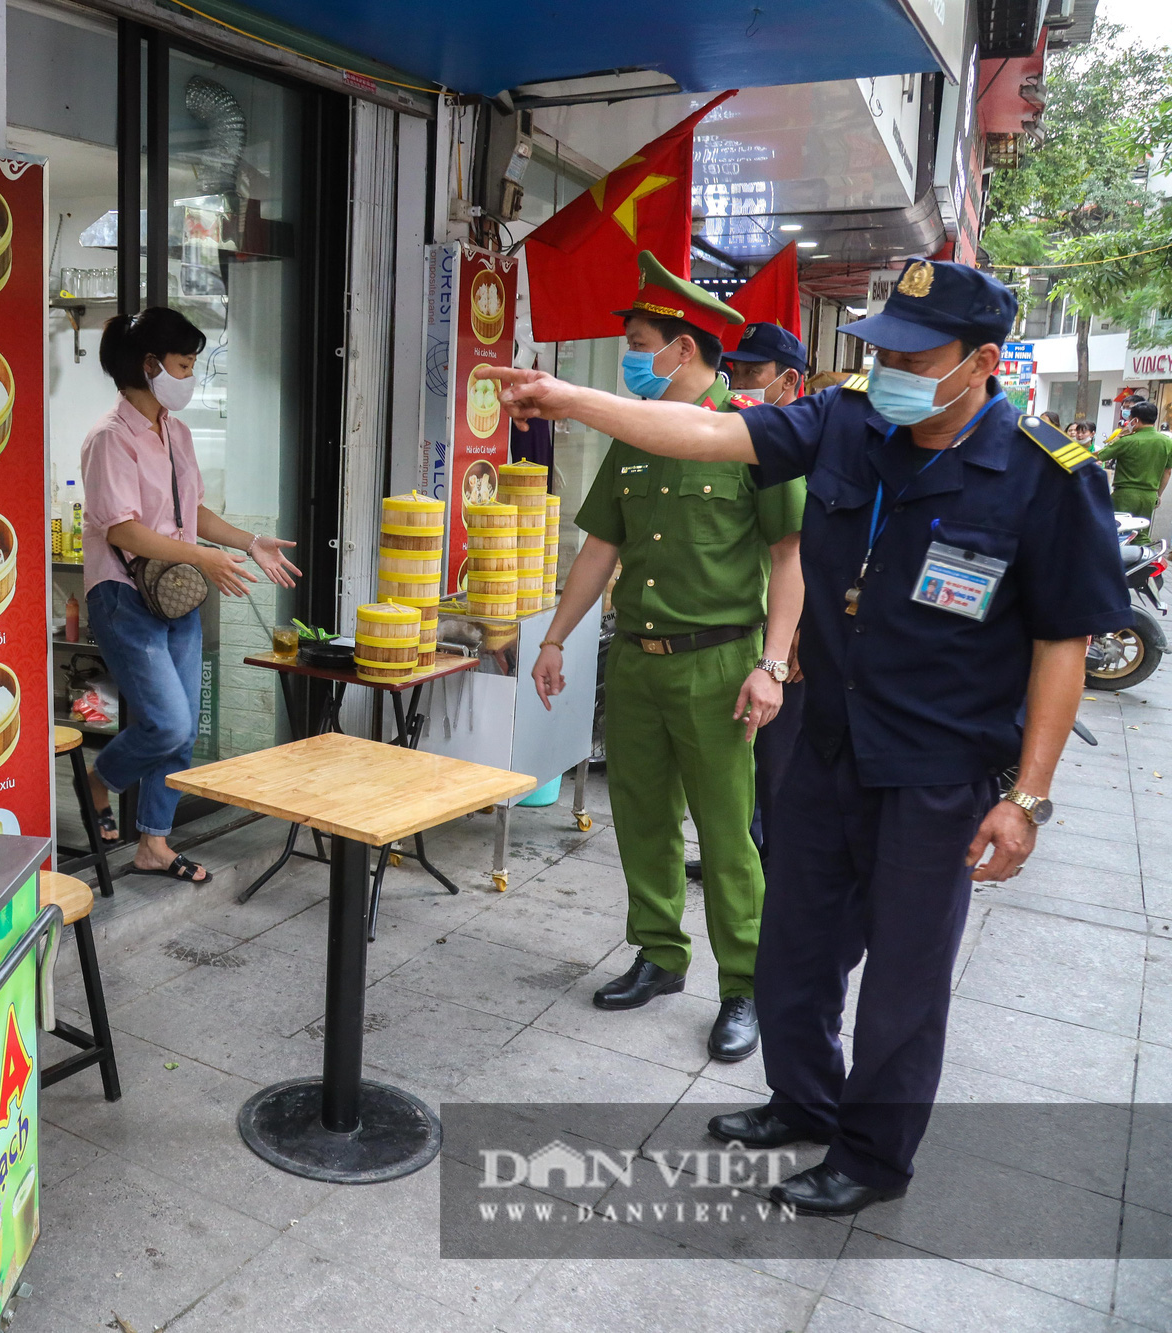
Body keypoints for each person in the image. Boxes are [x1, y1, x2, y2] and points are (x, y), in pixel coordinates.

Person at [481, 258, 1130, 1215]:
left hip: (938, 769)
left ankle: (871, 1157)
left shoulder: (1044, 479)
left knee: (906, 975)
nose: (893, 366)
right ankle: (802, 1100)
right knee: (794, 942)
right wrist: (572, 397)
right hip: (827, 741)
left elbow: (1060, 647)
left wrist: (1026, 796)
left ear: (984, 361)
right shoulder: (849, 423)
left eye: (919, 353)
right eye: (885, 349)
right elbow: (707, 432)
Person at [484, 252, 805, 1064]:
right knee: (642, 817)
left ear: (683, 349)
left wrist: (772, 663)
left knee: (728, 834)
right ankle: (661, 954)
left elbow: (789, 558)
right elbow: (600, 548)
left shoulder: (750, 436)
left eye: (637, 342)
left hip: (720, 665)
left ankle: (744, 986)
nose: (629, 358)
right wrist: (554, 637)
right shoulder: (635, 438)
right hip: (637, 659)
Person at [79, 308, 300, 883]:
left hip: (175, 593)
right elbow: (122, 529)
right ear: (150, 366)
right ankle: (101, 778)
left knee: (184, 729)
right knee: (169, 723)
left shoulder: (175, 432)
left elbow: (190, 512)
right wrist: (203, 557)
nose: (191, 375)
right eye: (184, 364)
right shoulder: (110, 439)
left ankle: (153, 843)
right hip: (124, 595)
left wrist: (249, 542)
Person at [719, 324, 812, 869]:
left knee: (778, 762)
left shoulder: (813, 443)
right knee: (743, 763)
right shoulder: (749, 437)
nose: (742, 383)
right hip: (753, 628)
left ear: (788, 380)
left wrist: (796, 635)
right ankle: (741, 851)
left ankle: (775, 870)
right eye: (738, 370)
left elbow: (803, 551)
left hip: (796, 638)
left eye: (754, 373)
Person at [1094, 399, 1172, 533]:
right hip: (1149, 496)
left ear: (1134, 420)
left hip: (1125, 495)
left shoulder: (1127, 441)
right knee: (1141, 534)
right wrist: (1157, 495)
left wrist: (1119, 437)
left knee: (1115, 533)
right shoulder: (1167, 442)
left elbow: (1097, 456)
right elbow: (1167, 471)